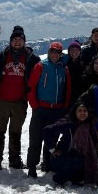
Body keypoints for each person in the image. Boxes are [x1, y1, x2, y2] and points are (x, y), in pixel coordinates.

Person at [0, 25, 41, 170]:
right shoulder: (0, 56)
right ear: (10, 41)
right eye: (15, 39)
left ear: (24, 41)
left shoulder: (32, 59)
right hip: (2, 100)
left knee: (15, 132)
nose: (17, 42)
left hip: (20, 101)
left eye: (20, 39)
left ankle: (14, 160)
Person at [26, 41, 72, 178]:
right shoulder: (41, 66)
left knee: (51, 138)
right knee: (36, 138)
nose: (55, 55)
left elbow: (68, 90)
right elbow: (31, 87)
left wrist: (65, 106)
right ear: (49, 52)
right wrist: (34, 105)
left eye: (58, 52)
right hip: (41, 108)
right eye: (53, 51)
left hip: (56, 109)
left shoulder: (64, 69)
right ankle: (32, 166)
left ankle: (47, 162)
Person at [42, 101, 98, 186]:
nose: (82, 113)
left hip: (78, 157)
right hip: (62, 157)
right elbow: (47, 130)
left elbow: (95, 141)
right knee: (77, 161)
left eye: (85, 111)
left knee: (83, 167)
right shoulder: (68, 123)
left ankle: (73, 177)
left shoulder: (89, 124)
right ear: (75, 112)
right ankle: (58, 179)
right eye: (79, 111)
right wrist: (52, 149)